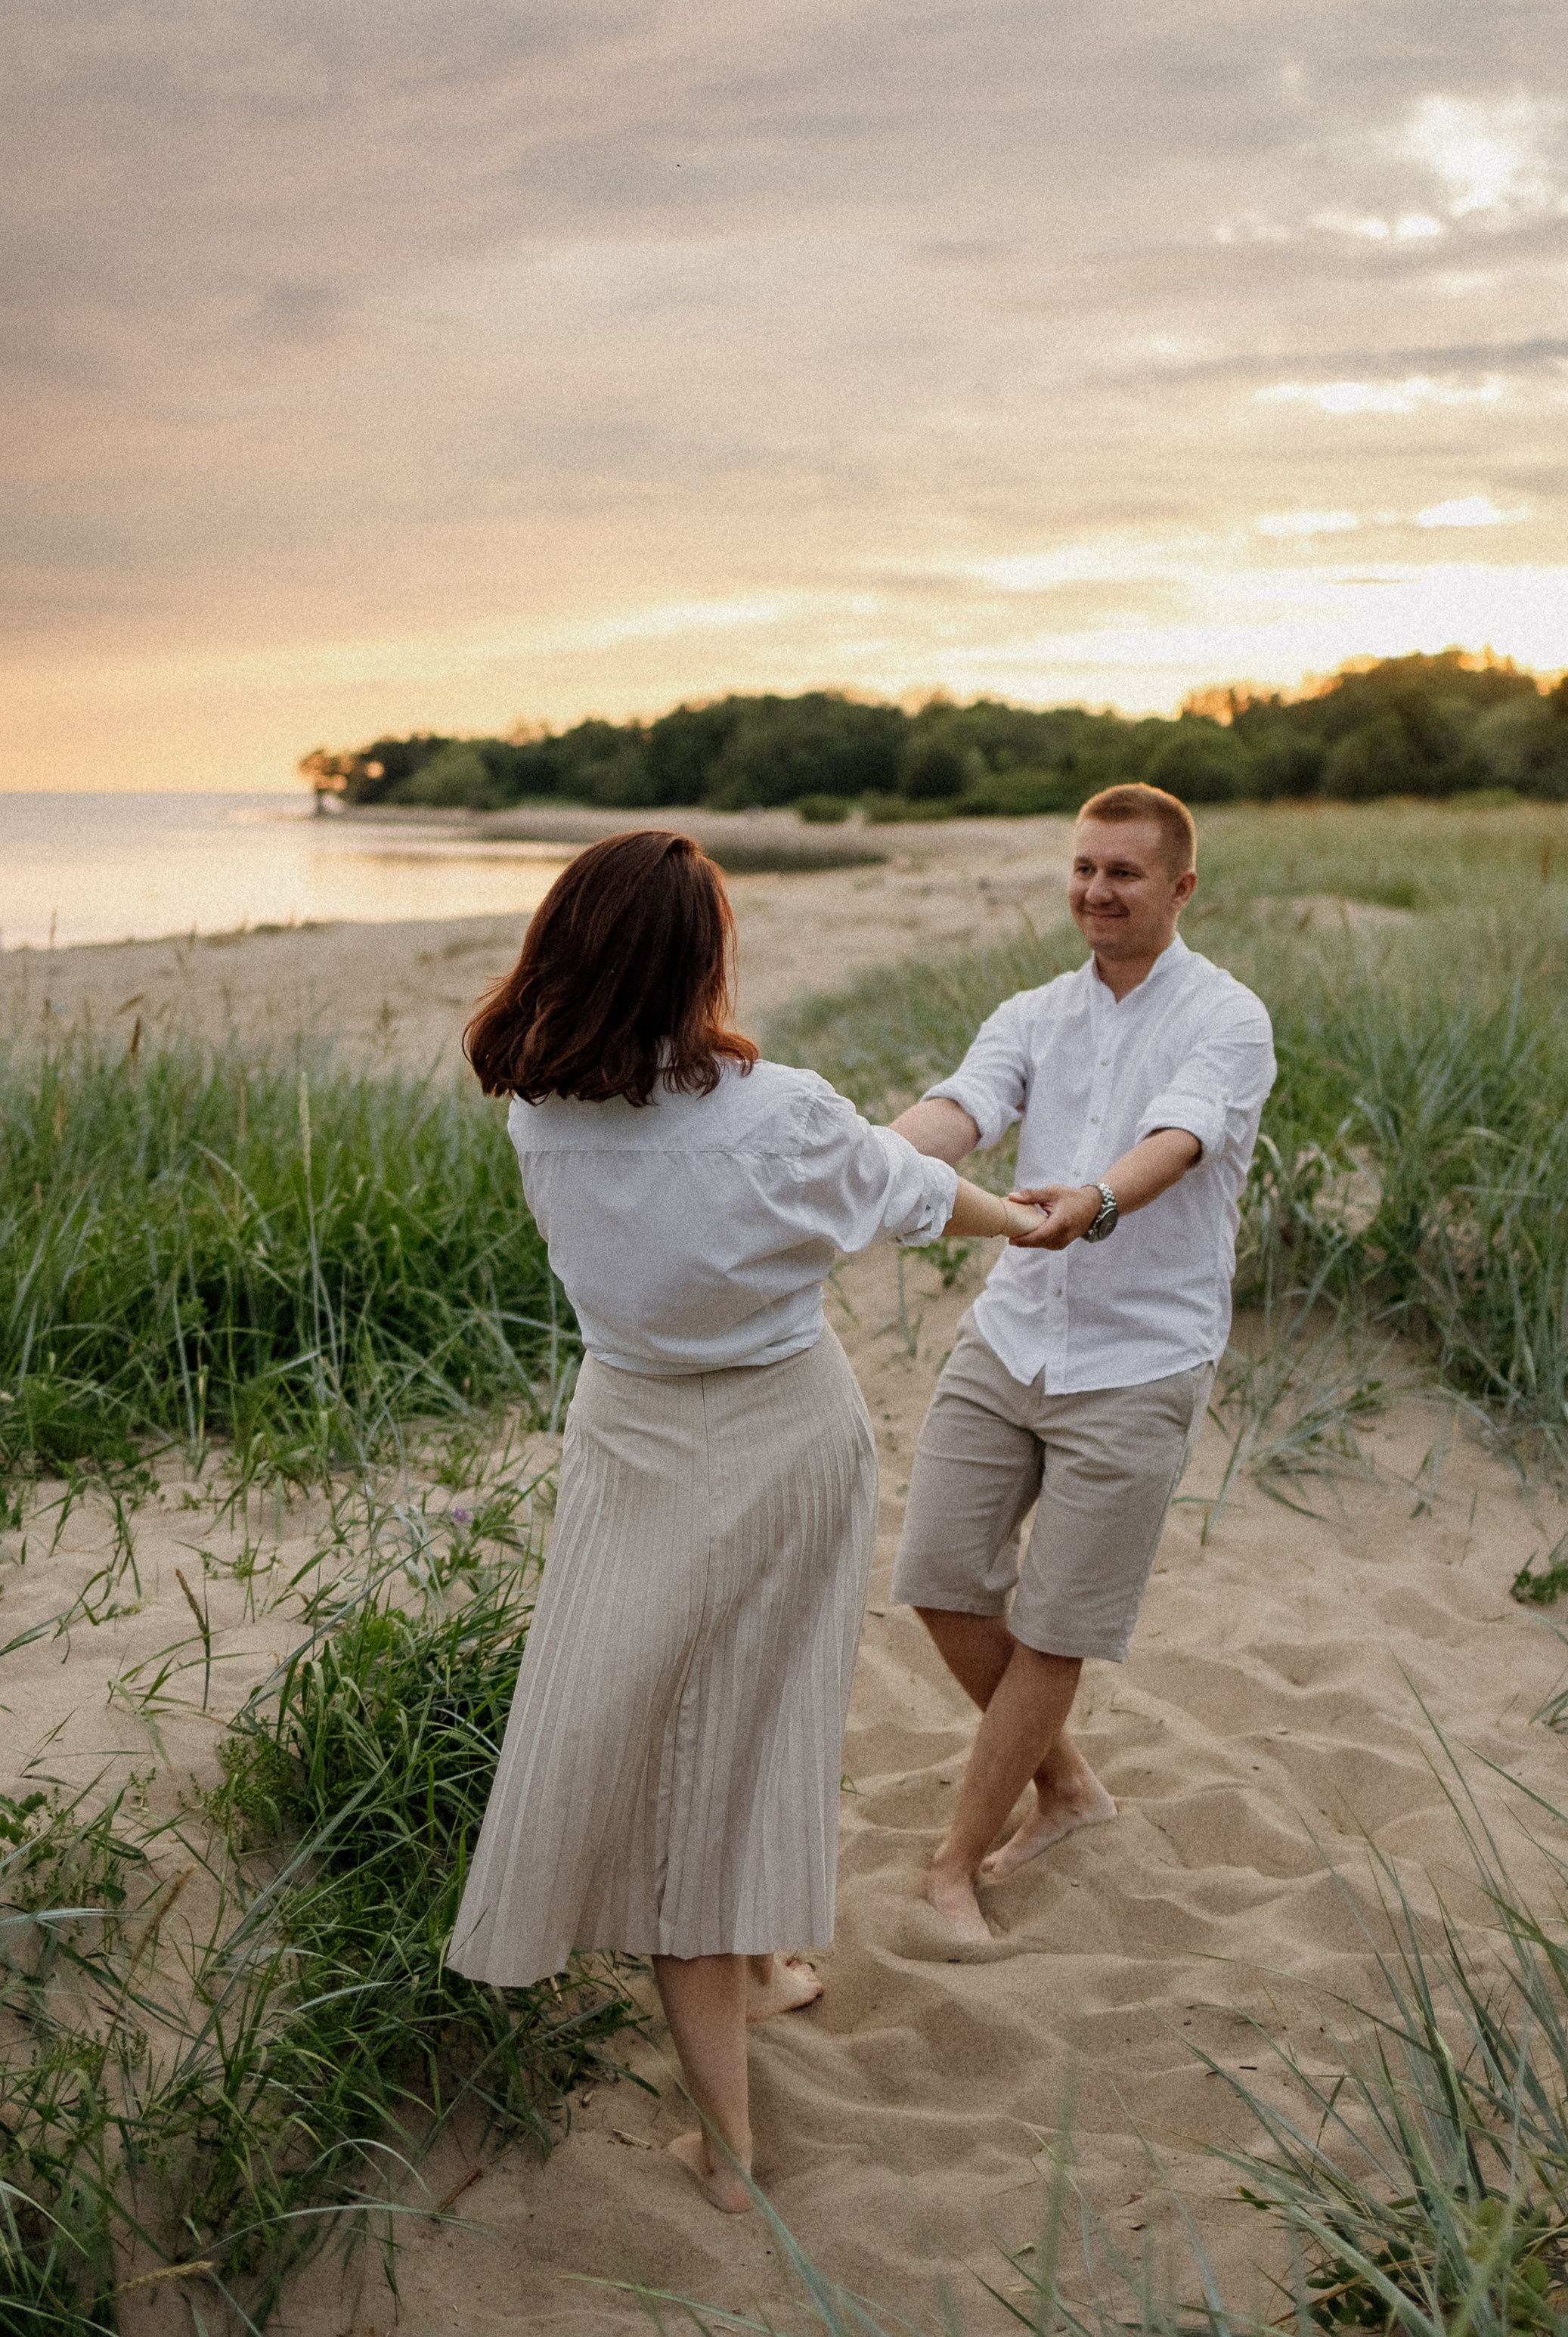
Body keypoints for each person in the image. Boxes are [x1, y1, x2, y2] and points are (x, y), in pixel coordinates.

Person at [446, 829, 1043, 2211]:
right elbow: (911, 1197)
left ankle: (767, 1970)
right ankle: (730, 2150)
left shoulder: (539, 1105)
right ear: (695, 955)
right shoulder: (779, 1108)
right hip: (782, 1434)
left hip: (633, 1437)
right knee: (742, 1735)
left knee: (691, 1721)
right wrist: (1026, 1217)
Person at [887, 783, 1276, 1945]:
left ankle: (959, 1861)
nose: (1097, 891)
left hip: (1141, 1356)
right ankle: (1068, 1787)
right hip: (1013, 1332)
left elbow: (1182, 1134)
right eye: (1084, 868)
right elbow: (964, 1106)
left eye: (1124, 872)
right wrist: (868, 1159)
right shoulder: (1034, 1012)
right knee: (941, 1575)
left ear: (1180, 887)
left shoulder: (1227, 1016)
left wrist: (1097, 1196)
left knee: (1055, 1626)